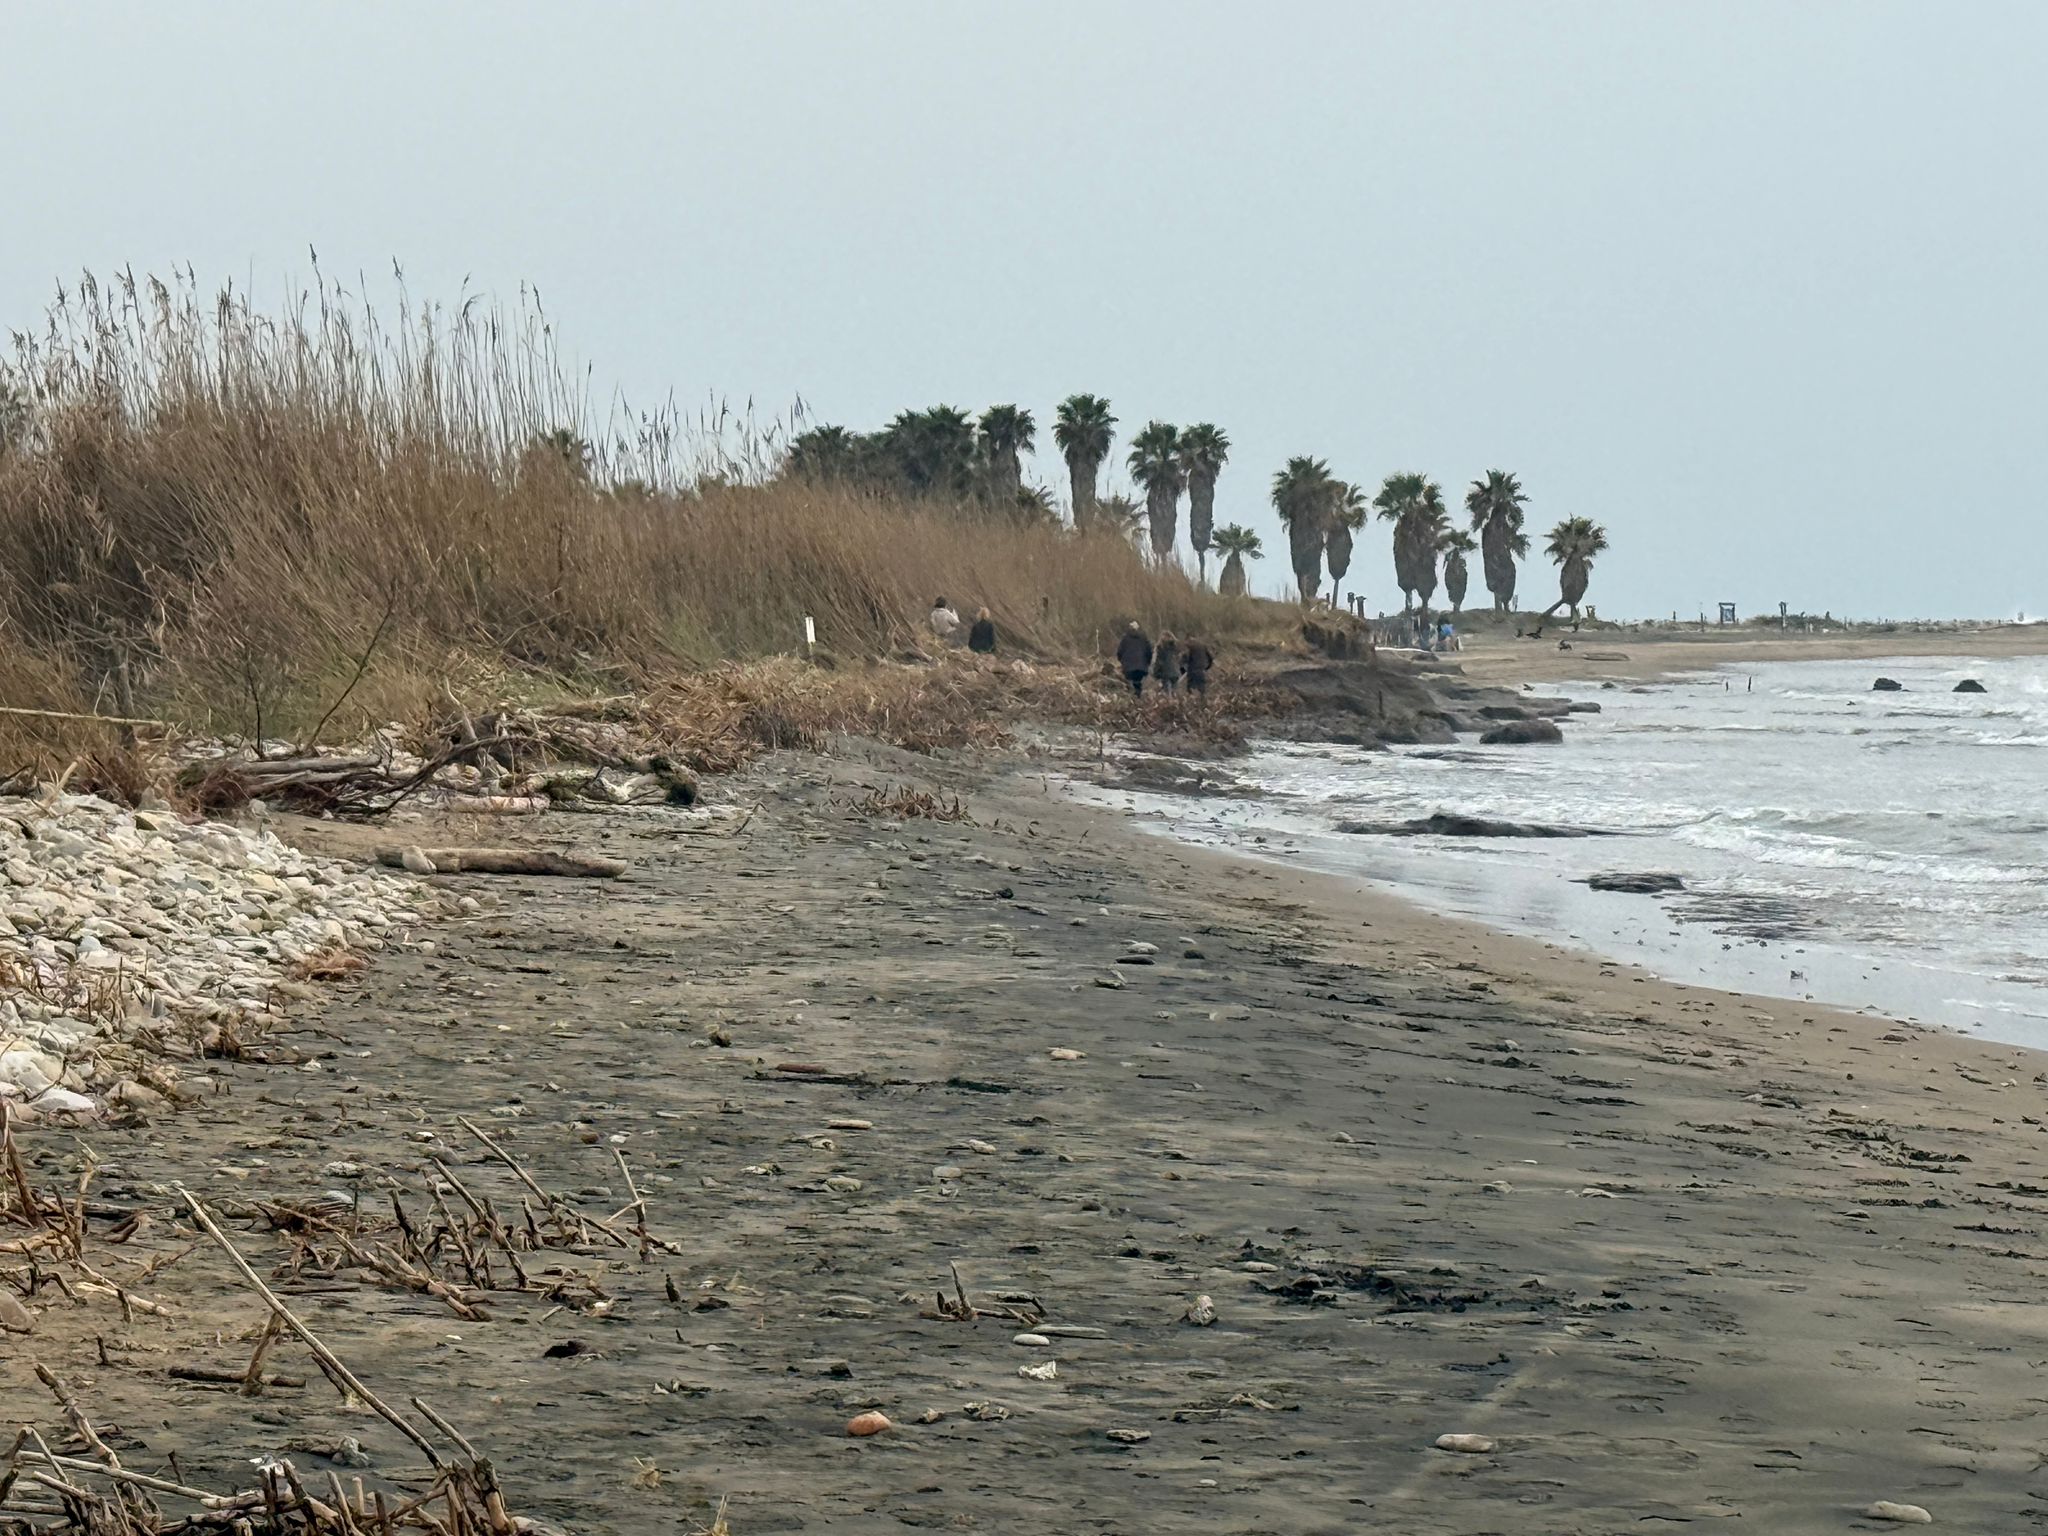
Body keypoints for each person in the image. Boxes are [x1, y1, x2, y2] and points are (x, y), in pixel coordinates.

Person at [1115, 621, 1153, 696]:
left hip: (1128, 666)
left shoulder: (1125, 638)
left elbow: (1120, 651)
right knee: (1138, 682)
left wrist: (1121, 661)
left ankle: (1131, 699)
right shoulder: (1144, 638)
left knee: (1129, 683)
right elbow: (1149, 651)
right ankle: (1138, 698)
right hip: (1141, 666)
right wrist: (1147, 662)